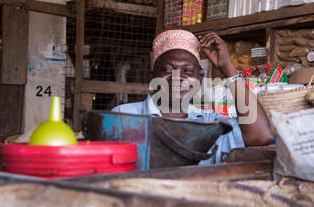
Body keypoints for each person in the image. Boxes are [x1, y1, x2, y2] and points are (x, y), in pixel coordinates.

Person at [113, 29, 274, 164]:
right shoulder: (124, 116)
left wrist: (229, 69)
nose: (178, 77)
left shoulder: (210, 124)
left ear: (199, 79)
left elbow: (261, 135)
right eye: (167, 69)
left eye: (188, 71)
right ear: (153, 77)